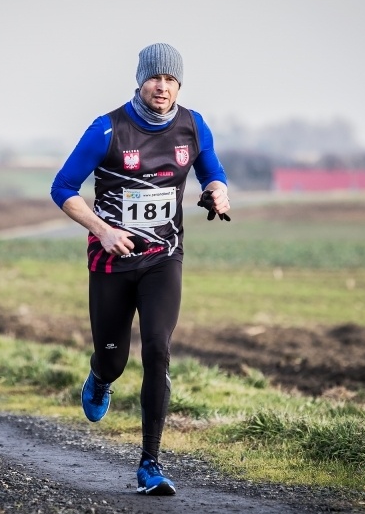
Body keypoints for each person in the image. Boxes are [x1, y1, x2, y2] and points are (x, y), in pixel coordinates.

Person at [50, 42, 230, 495]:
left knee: (157, 349)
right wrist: (102, 230)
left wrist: (217, 190)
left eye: (171, 80)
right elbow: (62, 187)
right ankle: (101, 375)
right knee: (114, 358)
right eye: (155, 79)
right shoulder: (107, 129)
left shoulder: (193, 124)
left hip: (163, 259)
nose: (163, 87)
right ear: (140, 81)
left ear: (179, 85)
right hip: (111, 260)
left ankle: (150, 463)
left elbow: (212, 169)